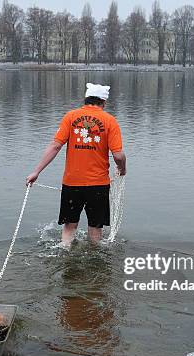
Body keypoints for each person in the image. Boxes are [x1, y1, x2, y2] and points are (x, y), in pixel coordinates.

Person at [26, 83, 126, 245]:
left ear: (85, 99)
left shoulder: (70, 116)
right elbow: (118, 155)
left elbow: (55, 146)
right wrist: (122, 169)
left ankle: (64, 251)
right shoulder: (110, 121)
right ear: (104, 102)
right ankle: (95, 259)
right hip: (98, 184)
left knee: (69, 226)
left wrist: (36, 172)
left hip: (72, 182)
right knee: (95, 227)